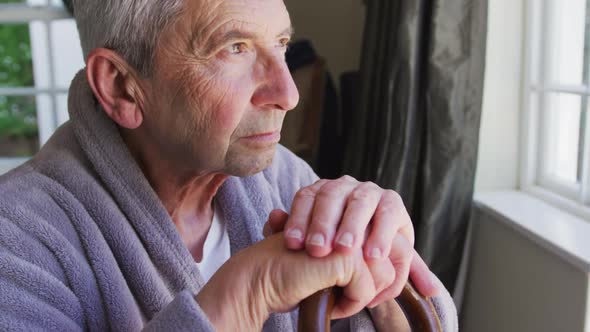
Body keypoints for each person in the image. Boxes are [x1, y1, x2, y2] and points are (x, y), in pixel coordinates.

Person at [0, 0, 457, 331]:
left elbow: (414, 316)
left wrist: (389, 282)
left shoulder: (285, 181)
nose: (288, 93)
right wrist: (247, 293)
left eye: (281, 43)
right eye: (234, 47)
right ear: (122, 87)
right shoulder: (15, 240)